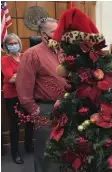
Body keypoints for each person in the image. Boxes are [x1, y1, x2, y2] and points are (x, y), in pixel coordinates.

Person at [16, 18, 66, 172]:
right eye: (54, 31)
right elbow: (23, 86)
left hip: (67, 107)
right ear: (44, 34)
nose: (59, 34)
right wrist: (34, 110)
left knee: (65, 152)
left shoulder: (63, 51)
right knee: (47, 153)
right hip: (46, 109)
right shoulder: (32, 54)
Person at [1, 33, 33, 164]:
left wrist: (18, 74)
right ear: (6, 46)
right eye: (10, 44)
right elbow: (11, 79)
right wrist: (24, 74)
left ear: (19, 44)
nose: (13, 45)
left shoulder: (25, 56)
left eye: (15, 43)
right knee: (14, 125)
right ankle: (15, 153)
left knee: (30, 121)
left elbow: (33, 73)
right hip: (12, 95)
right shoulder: (4, 60)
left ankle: (28, 146)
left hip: (27, 94)